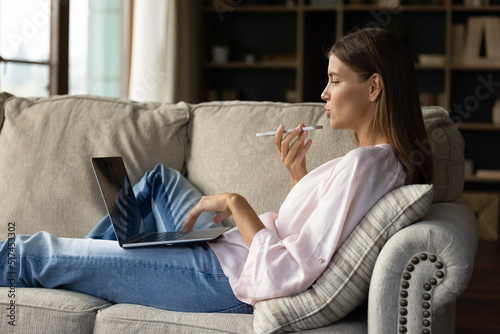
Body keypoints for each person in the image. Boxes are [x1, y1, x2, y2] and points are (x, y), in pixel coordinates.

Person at [0, 28, 432, 314]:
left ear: (373, 87)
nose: (324, 92)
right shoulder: (381, 162)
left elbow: (286, 273)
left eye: (335, 81)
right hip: (230, 254)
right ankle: (101, 260)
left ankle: (88, 263)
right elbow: (316, 234)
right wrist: (299, 174)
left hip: (225, 280)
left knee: (36, 251)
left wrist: (234, 203)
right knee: (159, 181)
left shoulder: (367, 163)